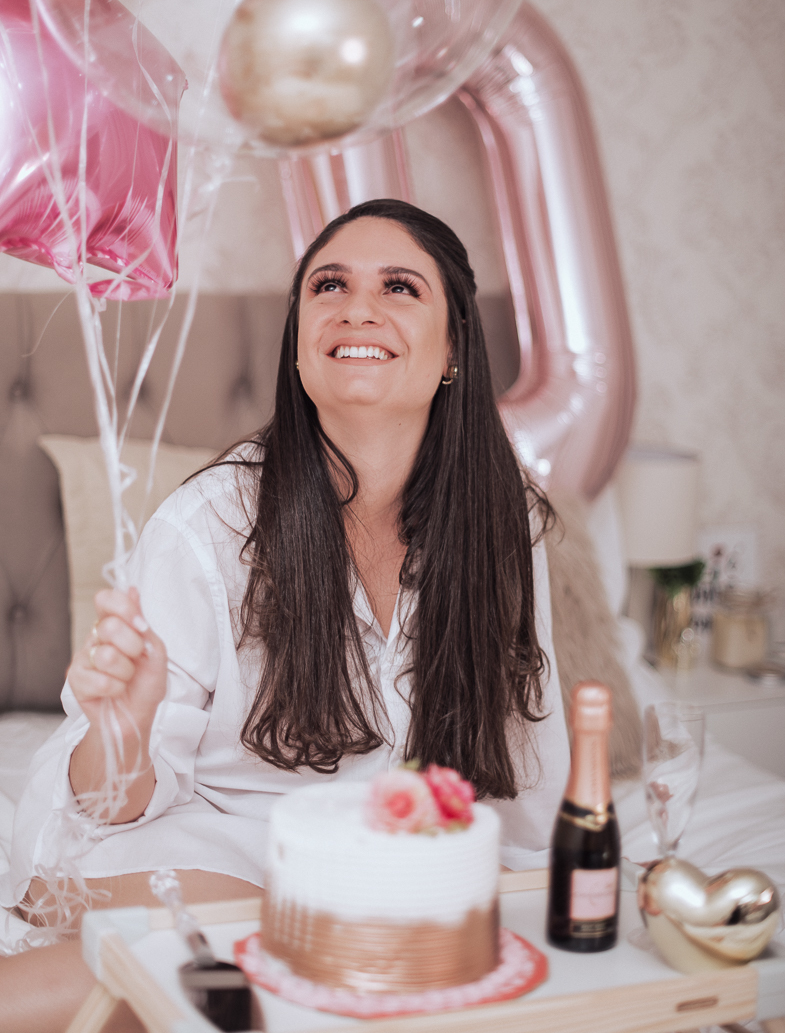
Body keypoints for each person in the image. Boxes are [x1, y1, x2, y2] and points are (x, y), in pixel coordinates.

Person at [0, 199, 570, 1031]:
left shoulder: (502, 523)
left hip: (386, 875)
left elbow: (527, 765)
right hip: (201, 844)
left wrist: (530, 914)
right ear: (301, 341)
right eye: (328, 285)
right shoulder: (210, 526)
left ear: (453, 349)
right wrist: (120, 728)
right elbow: (116, 797)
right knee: (262, 958)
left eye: (399, 287)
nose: (356, 307)